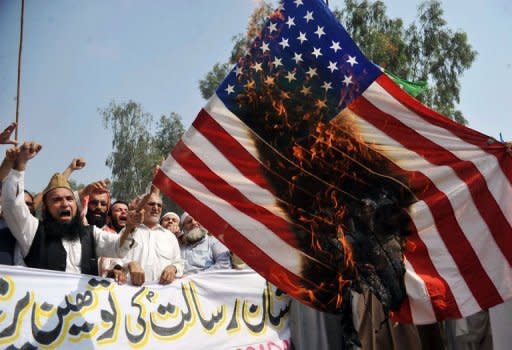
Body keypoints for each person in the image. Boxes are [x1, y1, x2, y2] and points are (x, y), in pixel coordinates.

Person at [1, 141, 137, 275]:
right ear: (45, 208)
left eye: (69, 199)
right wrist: (21, 164)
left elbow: (118, 247)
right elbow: (13, 204)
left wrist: (130, 228)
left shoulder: (90, 234)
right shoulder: (32, 231)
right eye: (57, 200)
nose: (65, 204)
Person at [112, 187, 183, 286]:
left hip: (163, 293)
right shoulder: (128, 231)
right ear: (142, 208)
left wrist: (173, 268)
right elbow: (115, 257)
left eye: (159, 205)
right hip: (131, 292)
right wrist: (129, 264)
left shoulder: (170, 236)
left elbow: (179, 262)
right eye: (151, 204)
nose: (156, 208)